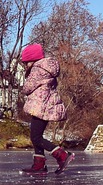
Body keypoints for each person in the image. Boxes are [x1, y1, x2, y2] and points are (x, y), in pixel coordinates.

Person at [20, 43, 75, 174]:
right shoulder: (48, 69)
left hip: (40, 106)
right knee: (36, 136)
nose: (26, 66)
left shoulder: (37, 69)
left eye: (26, 62)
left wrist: (25, 84)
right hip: (44, 106)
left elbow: (27, 88)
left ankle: (62, 155)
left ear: (33, 59)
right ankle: (39, 165)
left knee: (36, 137)